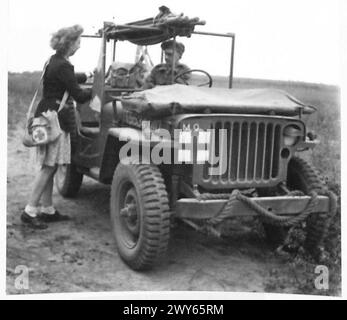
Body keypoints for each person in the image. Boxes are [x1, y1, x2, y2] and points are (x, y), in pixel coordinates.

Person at [21, 24, 92, 229]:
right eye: (78, 41)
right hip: (56, 120)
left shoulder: (52, 61)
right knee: (49, 167)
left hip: (44, 115)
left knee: (49, 166)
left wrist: (86, 75)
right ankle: (30, 211)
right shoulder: (64, 66)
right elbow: (78, 94)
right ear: (69, 43)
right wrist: (95, 90)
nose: (79, 45)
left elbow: (66, 78)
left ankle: (47, 209)